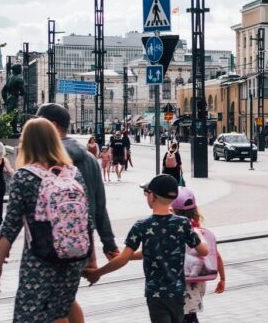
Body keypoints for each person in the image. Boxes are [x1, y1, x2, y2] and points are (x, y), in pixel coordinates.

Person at [0, 118, 94, 323]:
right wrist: (90, 258)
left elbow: (10, 227)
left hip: (39, 260)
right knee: (60, 315)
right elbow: (87, 221)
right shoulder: (73, 174)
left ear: (26, 143)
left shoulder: (25, 177)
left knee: (28, 317)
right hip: (73, 257)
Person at [36, 103, 121, 322]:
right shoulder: (90, 159)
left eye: (38, 124)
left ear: (53, 127)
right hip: (82, 241)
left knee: (55, 304)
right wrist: (109, 245)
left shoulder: (48, 160)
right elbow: (100, 206)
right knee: (66, 298)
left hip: (54, 242)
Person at [83, 174, 208, 323]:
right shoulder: (183, 223)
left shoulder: (142, 226)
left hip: (156, 296)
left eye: (146, 192)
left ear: (152, 196)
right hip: (178, 292)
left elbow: (123, 259)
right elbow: (203, 251)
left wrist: (97, 273)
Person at [170, 187, 225, 322]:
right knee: (190, 317)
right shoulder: (199, 232)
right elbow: (215, 256)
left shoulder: (171, 231)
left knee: (184, 318)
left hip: (179, 284)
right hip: (197, 284)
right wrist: (222, 278)